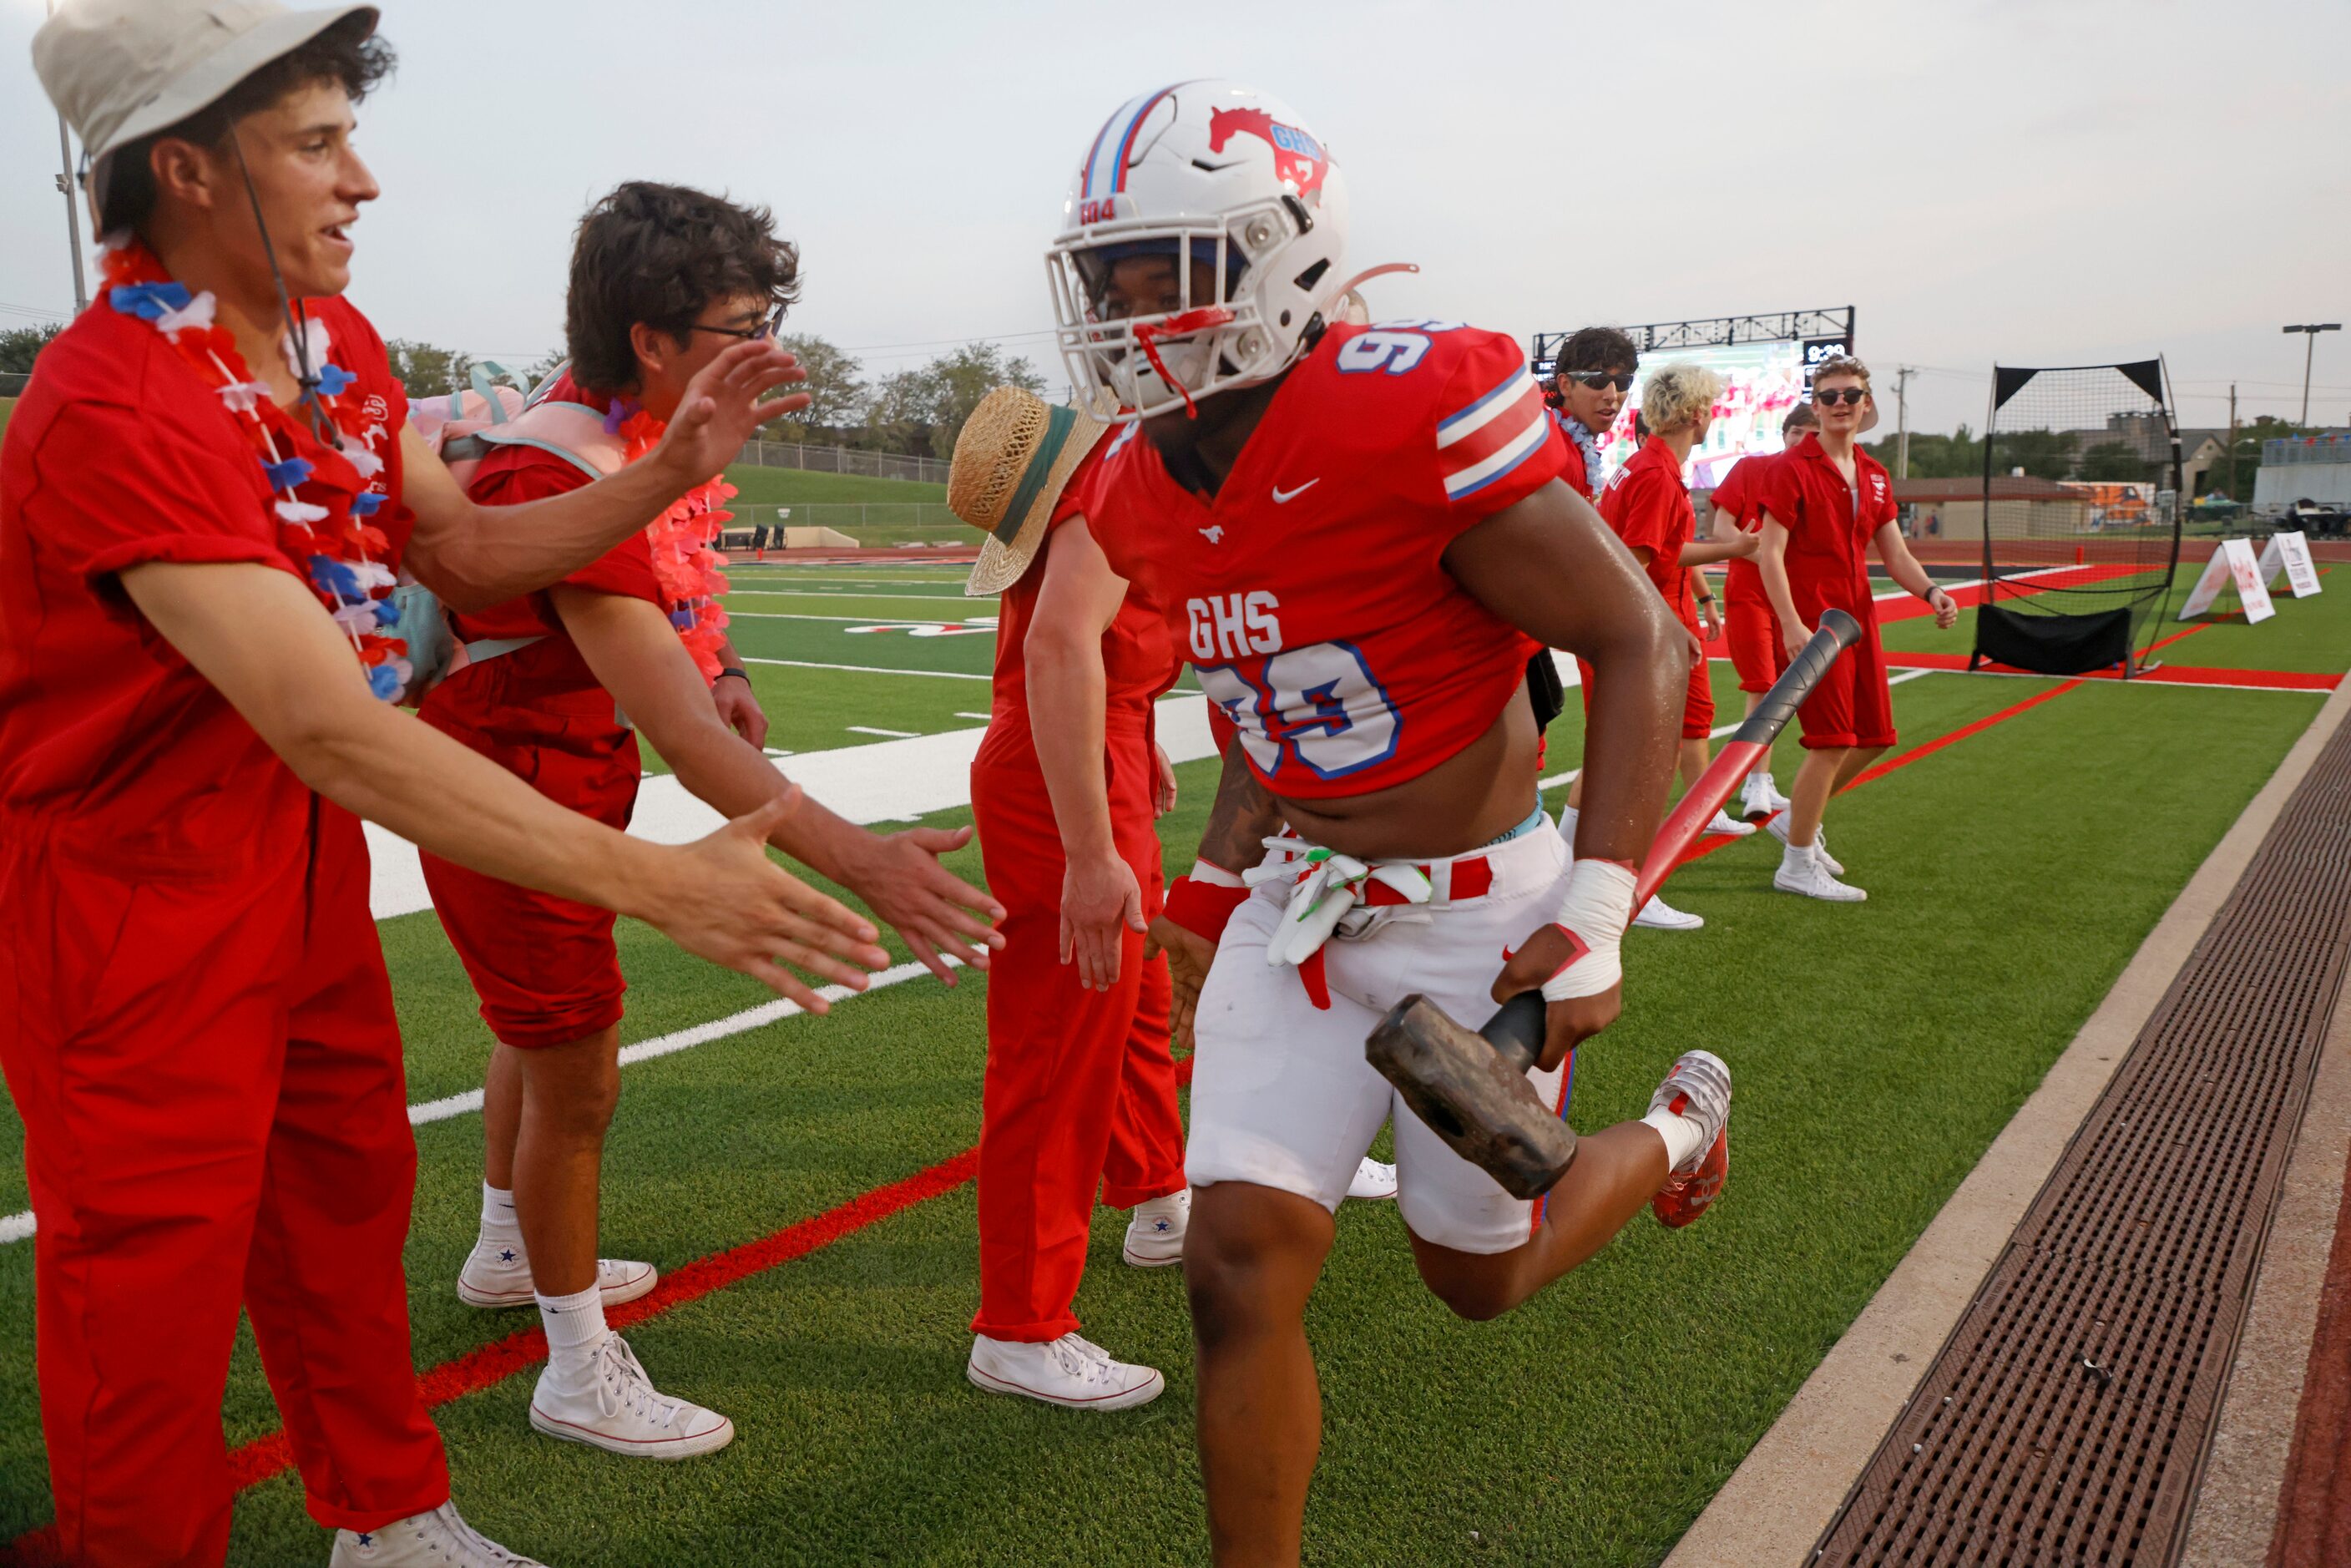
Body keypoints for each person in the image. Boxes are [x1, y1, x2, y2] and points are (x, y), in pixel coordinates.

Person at [4, 8, 885, 1565]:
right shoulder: (111, 405)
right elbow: (324, 721)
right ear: (188, 167)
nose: (366, 182)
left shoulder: (331, 348)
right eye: (317, 142)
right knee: (145, 1287)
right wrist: (661, 879)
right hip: (125, 899)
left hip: (287, 870)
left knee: (345, 1198)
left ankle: (391, 1517)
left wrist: (672, 468)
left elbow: (466, 550)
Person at [1044, 82, 1734, 1566]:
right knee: (1234, 1266)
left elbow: (1641, 644)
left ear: (1280, 253)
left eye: (1170, 270)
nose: (1131, 311)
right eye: (1112, 277)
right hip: (1305, 905)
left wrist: (1599, 904)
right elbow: (1263, 693)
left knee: (1477, 1277)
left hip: (1480, 908)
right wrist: (1223, 864)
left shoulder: (1406, 403)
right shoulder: (1134, 477)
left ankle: (1677, 1127)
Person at [423, 182, 1005, 1459]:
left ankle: (508, 1252)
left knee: (537, 1036)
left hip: (553, 784)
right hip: (512, 803)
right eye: (744, 320)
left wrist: (724, 661)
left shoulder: (621, 441)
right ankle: (576, 1366)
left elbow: (684, 637)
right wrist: (865, 863)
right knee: (577, 1066)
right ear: (650, 338)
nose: (770, 342)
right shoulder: (555, 460)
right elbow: (681, 733)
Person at [948, 388, 1186, 1409]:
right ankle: (1020, 1325)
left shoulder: (1091, 495)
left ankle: (1157, 1193)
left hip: (1094, 751)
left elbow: (1091, 652)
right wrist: (1092, 847)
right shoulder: (1104, 492)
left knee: (1132, 998)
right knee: (1058, 1045)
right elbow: (1056, 649)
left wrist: (1137, 739)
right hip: (1063, 776)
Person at [1754, 357, 1958, 900]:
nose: (1840, 404)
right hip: (1815, 622)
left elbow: (1895, 553)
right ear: (1815, 407)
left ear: (1867, 403)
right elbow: (1769, 555)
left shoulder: (1874, 474)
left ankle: (1796, 819)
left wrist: (1932, 592)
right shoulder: (1791, 468)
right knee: (1831, 741)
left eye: (1850, 395)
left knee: (1875, 738)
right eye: (1829, 397)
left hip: (1860, 617)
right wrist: (1792, 624)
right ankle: (1796, 864)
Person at [1585, 364, 1760, 880]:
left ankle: (1582, 863)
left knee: (1632, 753)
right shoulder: (1656, 474)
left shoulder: (1652, 467)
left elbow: (1657, 552)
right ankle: (1624, 879)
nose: (1712, 415)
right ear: (1693, 412)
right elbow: (1633, 566)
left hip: (1648, 619)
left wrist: (1730, 547)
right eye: (1708, 406)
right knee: (1634, 761)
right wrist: (1665, 625)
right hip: (1642, 626)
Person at [1706, 400, 1817, 817]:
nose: (1802, 443)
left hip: (1791, 597)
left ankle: (1762, 776)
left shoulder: (1817, 481)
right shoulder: (1752, 469)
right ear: (1784, 434)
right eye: (1796, 434)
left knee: (1785, 689)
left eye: (1812, 437)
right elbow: (1721, 528)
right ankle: (1754, 780)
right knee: (1761, 686)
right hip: (1751, 592)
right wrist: (1768, 559)